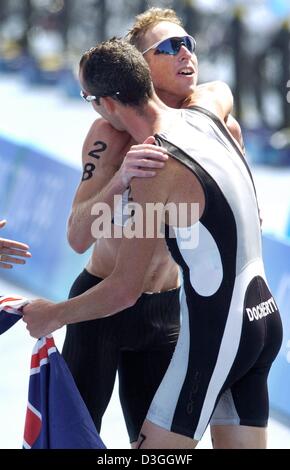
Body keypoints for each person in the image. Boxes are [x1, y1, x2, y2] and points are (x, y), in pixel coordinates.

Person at [23, 38, 282, 449]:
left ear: (107, 102)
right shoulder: (206, 112)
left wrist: (53, 314)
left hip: (215, 334)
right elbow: (222, 90)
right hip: (263, 318)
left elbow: (125, 290)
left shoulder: (154, 164)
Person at [60, 7, 244, 447]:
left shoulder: (220, 129)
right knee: (71, 442)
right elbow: (77, 236)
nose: (186, 54)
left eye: (189, 44)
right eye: (168, 47)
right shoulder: (109, 135)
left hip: (167, 313)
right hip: (99, 306)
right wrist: (120, 181)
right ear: (140, 67)